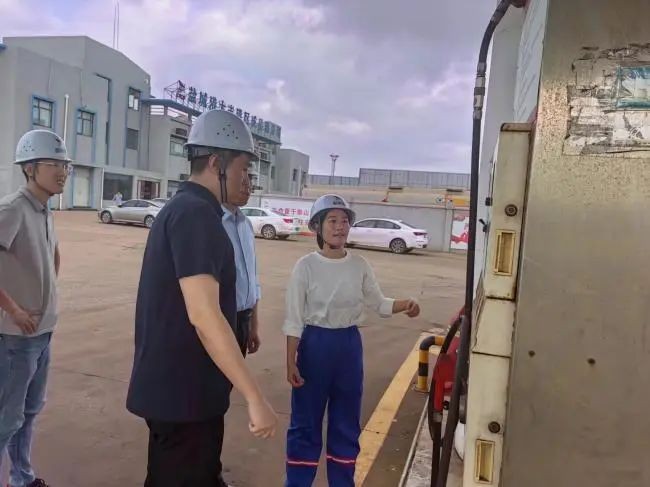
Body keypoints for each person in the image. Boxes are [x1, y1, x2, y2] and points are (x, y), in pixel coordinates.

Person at [126, 109, 278, 487]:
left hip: (183, 392)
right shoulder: (196, 216)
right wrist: (254, 396)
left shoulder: (187, 210)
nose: (247, 178)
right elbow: (205, 315)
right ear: (216, 164)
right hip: (183, 395)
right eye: (243, 168)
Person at [283, 194, 421, 487]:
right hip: (314, 346)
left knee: (346, 421)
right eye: (332, 220)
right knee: (305, 421)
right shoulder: (305, 266)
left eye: (344, 221)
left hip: (348, 347)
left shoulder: (359, 265)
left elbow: (379, 303)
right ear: (317, 226)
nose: (339, 227)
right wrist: (290, 361)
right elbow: (294, 318)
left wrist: (405, 304)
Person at [0, 129, 73, 487]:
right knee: (6, 419)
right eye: (54, 164)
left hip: (42, 333)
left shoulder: (44, 210)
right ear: (29, 168)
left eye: (65, 165)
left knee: (29, 412)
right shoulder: (12, 208)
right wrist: (13, 309)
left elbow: (52, 255)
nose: (62, 171)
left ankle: (23, 478)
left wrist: (48, 295)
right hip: (16, 338)